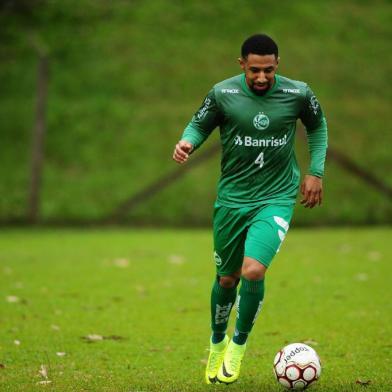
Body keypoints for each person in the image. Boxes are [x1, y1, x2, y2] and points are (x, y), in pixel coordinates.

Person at [172, 33, 328, 385]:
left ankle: (238, 346)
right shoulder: (222, 93)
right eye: (254, 70)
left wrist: (315, 171)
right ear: (241, 64)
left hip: (276, 196)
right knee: (227, 279)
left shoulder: (298, 93)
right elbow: (199, 124)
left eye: (268, 70)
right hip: (232, 199)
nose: (261, 77)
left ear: (277, 66)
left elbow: (317, 126)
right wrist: (187, 142)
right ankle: (217, 341)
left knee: (253, 270)